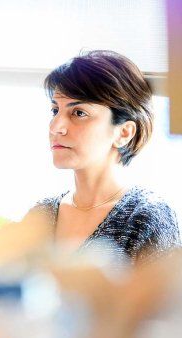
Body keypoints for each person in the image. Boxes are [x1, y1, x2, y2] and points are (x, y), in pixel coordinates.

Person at [29, 50, 180, 264]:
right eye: (55, 111)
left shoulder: (146, 217)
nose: (55, 127)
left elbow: (165, 297)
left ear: (124, 132)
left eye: (79, 113)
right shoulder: (40, 215)